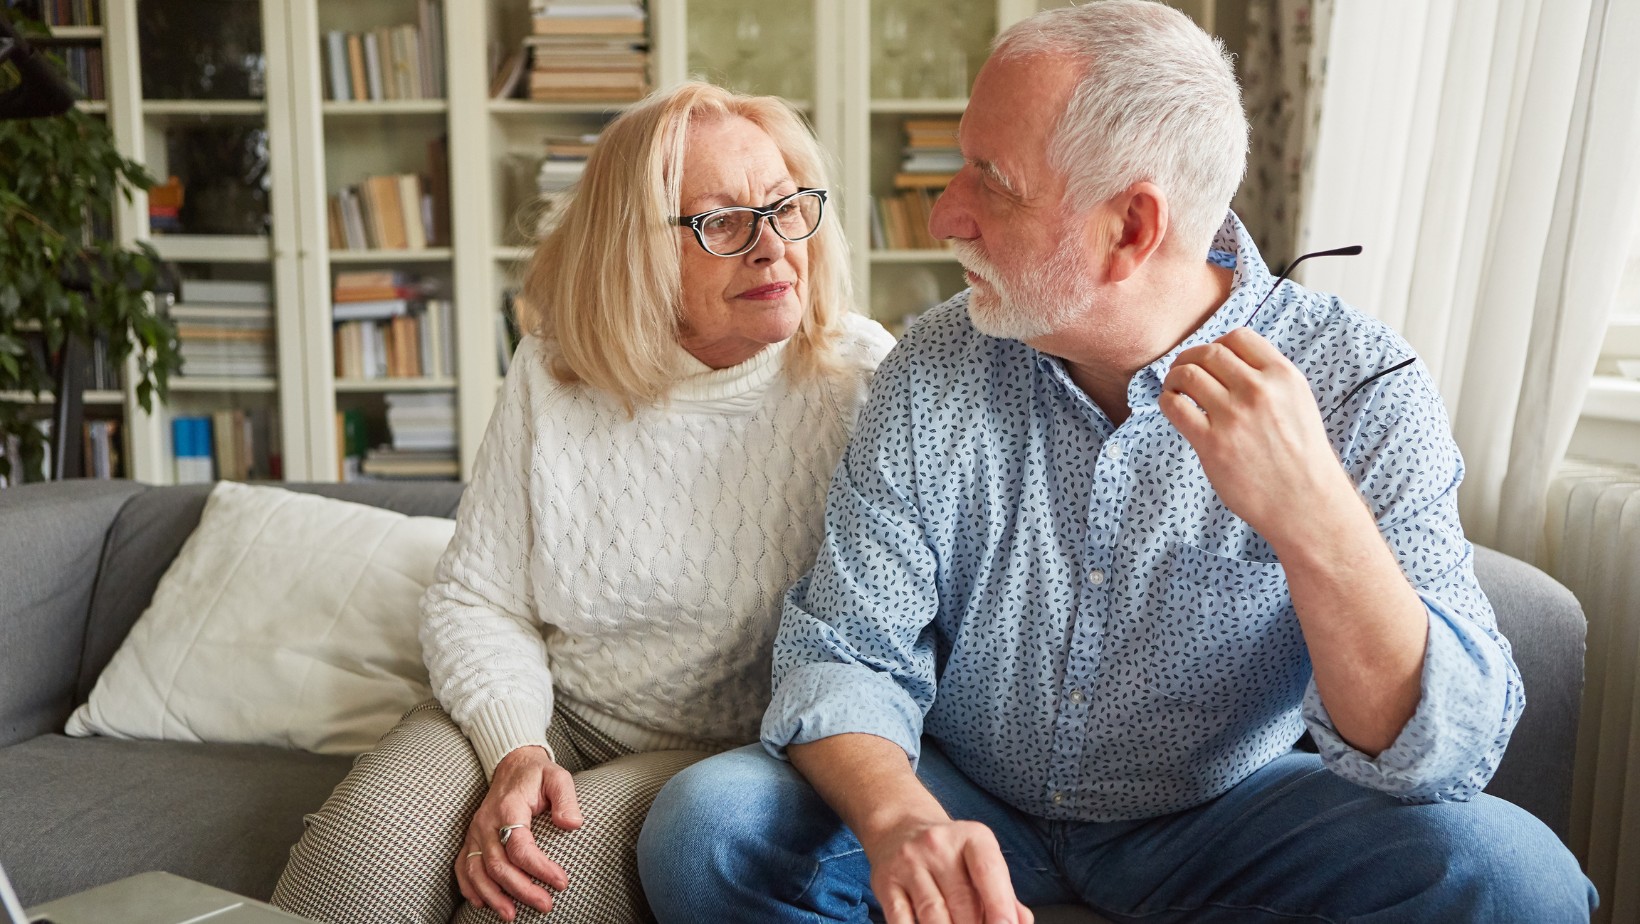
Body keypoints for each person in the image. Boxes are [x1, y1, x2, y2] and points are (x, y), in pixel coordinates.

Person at [636, 4, 1597, 923]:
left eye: (991, 181)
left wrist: (1316, 520)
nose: (946, 216)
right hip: (969, 795)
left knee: (1519, 884)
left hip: (1231, 815)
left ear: (1131, 228)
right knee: (709, 833)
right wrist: (901, 820)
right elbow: (845, 654)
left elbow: (1443, 754)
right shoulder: (934, 368)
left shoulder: (1359, 384)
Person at [270, 81, 895, 924]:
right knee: (359, 866)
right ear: (634, 249)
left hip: (722, 755)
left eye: (788, 207)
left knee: (523, 902)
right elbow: (477, 597)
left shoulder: (861, 379)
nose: (774, 247)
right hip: (556, 711)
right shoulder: (554, 369)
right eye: (722, 222)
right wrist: (516, 750)